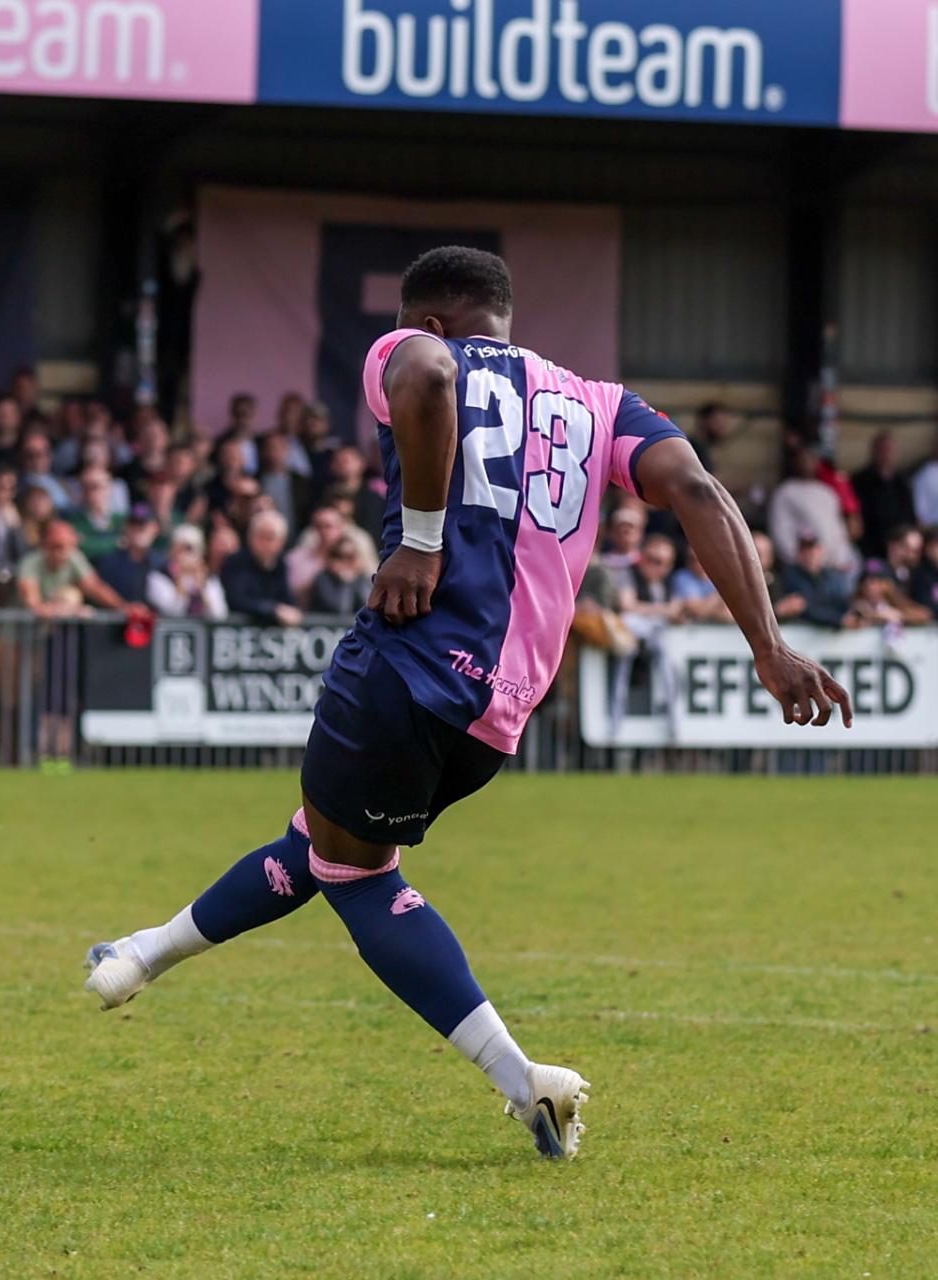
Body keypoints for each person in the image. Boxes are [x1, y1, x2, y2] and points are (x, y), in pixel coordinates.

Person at [82, 246, 851, 1161]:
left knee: (353, 871)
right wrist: (769, 645)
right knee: (325, 837)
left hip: (408, 663)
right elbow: (697, 489)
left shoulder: (415, 349)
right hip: (499, 714)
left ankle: (526, 1082)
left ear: (430, 319)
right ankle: (139, 955)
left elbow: (426, 373)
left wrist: (418, 538)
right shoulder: (603, 404)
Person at [17, 519, 125, 619]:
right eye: (55, 546)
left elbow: (95, 587)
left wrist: (123, 607)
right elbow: (31, 600)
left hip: (54, 627)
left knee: (71, 595)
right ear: (45, 545)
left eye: (64, 547)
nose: (59, 553)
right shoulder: (31, 562)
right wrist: (65, 611)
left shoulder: (74, 557)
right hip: (23, 626)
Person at [220, 509, 302, 626]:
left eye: (270, 537)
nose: (265, 543)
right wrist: (273, 610)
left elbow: (288, 602)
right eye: (260, 535)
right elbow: (237, 600)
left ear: (281, 542)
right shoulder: (235, 562)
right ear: (250, 537)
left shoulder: (281, 565)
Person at [851, 432, 916, 561]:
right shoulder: (860, 480)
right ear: (873, 452)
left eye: (889, 450)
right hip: (871, 547)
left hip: (900, 546)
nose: (886, 454)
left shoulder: (902, 481)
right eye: (882, 450)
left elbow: (910, 515)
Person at [774, 530, 853, 628]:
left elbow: (843, 602)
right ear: (799, 553)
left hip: (830, 631)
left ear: (821, 550)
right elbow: (806, 608)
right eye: (804, 550)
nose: (810, 554)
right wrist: (839, 619)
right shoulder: (790, 576)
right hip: (801, 630)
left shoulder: (833, 576)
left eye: (813, 548)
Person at [147, 524, 227, 619]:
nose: (187, 554)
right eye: (184, 548)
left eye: (191, 548)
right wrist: (180, 579)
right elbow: (173, 614)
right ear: (172, 550)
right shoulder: (159, 576)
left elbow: (219, 615)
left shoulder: (210, 579)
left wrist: (202, 588)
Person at [92, 504, 164, 604]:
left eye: (144, 525)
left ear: (155, 529)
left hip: (157, 614)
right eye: (134, 524)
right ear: (126, 527)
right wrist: (124, 607)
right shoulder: (110, 562)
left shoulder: (163, 563)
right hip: (118, 613)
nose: (138, 529)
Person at [307, 536, 374, 616]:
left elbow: (369, 606)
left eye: (350, 556)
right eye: (339, 556)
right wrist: (345, 583)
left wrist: (355, 578)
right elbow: (341, 610)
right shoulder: (323, 578)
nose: (345, 561)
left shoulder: (362, 578)